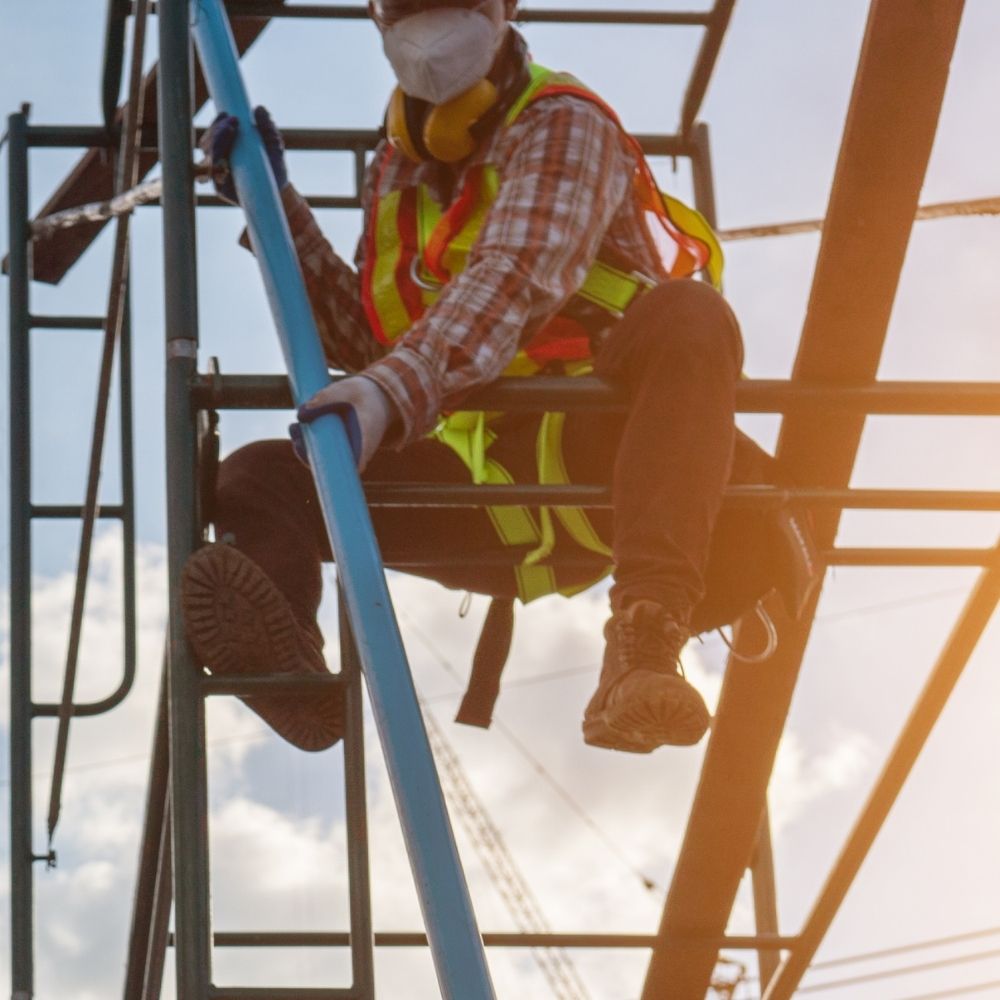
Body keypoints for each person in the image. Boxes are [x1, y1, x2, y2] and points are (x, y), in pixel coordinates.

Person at [182, 0, 773, 755]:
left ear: (505, 6)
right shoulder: (398, 166)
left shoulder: (563, 121)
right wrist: (277, 211)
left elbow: (518, 277)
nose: (430, 17)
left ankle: (646, 636)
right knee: (260, 480)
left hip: (614, 465)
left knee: (687, 316)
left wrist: (391, 393)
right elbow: (373, 340)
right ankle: (291, 675)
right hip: (482, 489)